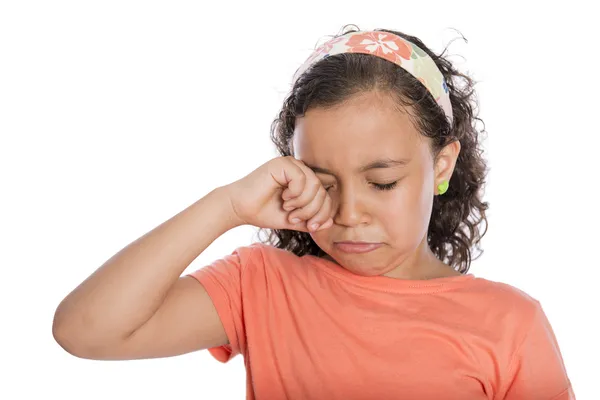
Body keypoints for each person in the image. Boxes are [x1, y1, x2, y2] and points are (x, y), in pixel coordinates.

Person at [52, 25, 575, 399]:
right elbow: (85, 331)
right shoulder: (260, 285)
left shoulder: (510, 323)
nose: (349, 213)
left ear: (442, 165)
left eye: (382, 181)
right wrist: (227, 205)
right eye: (323, 182)